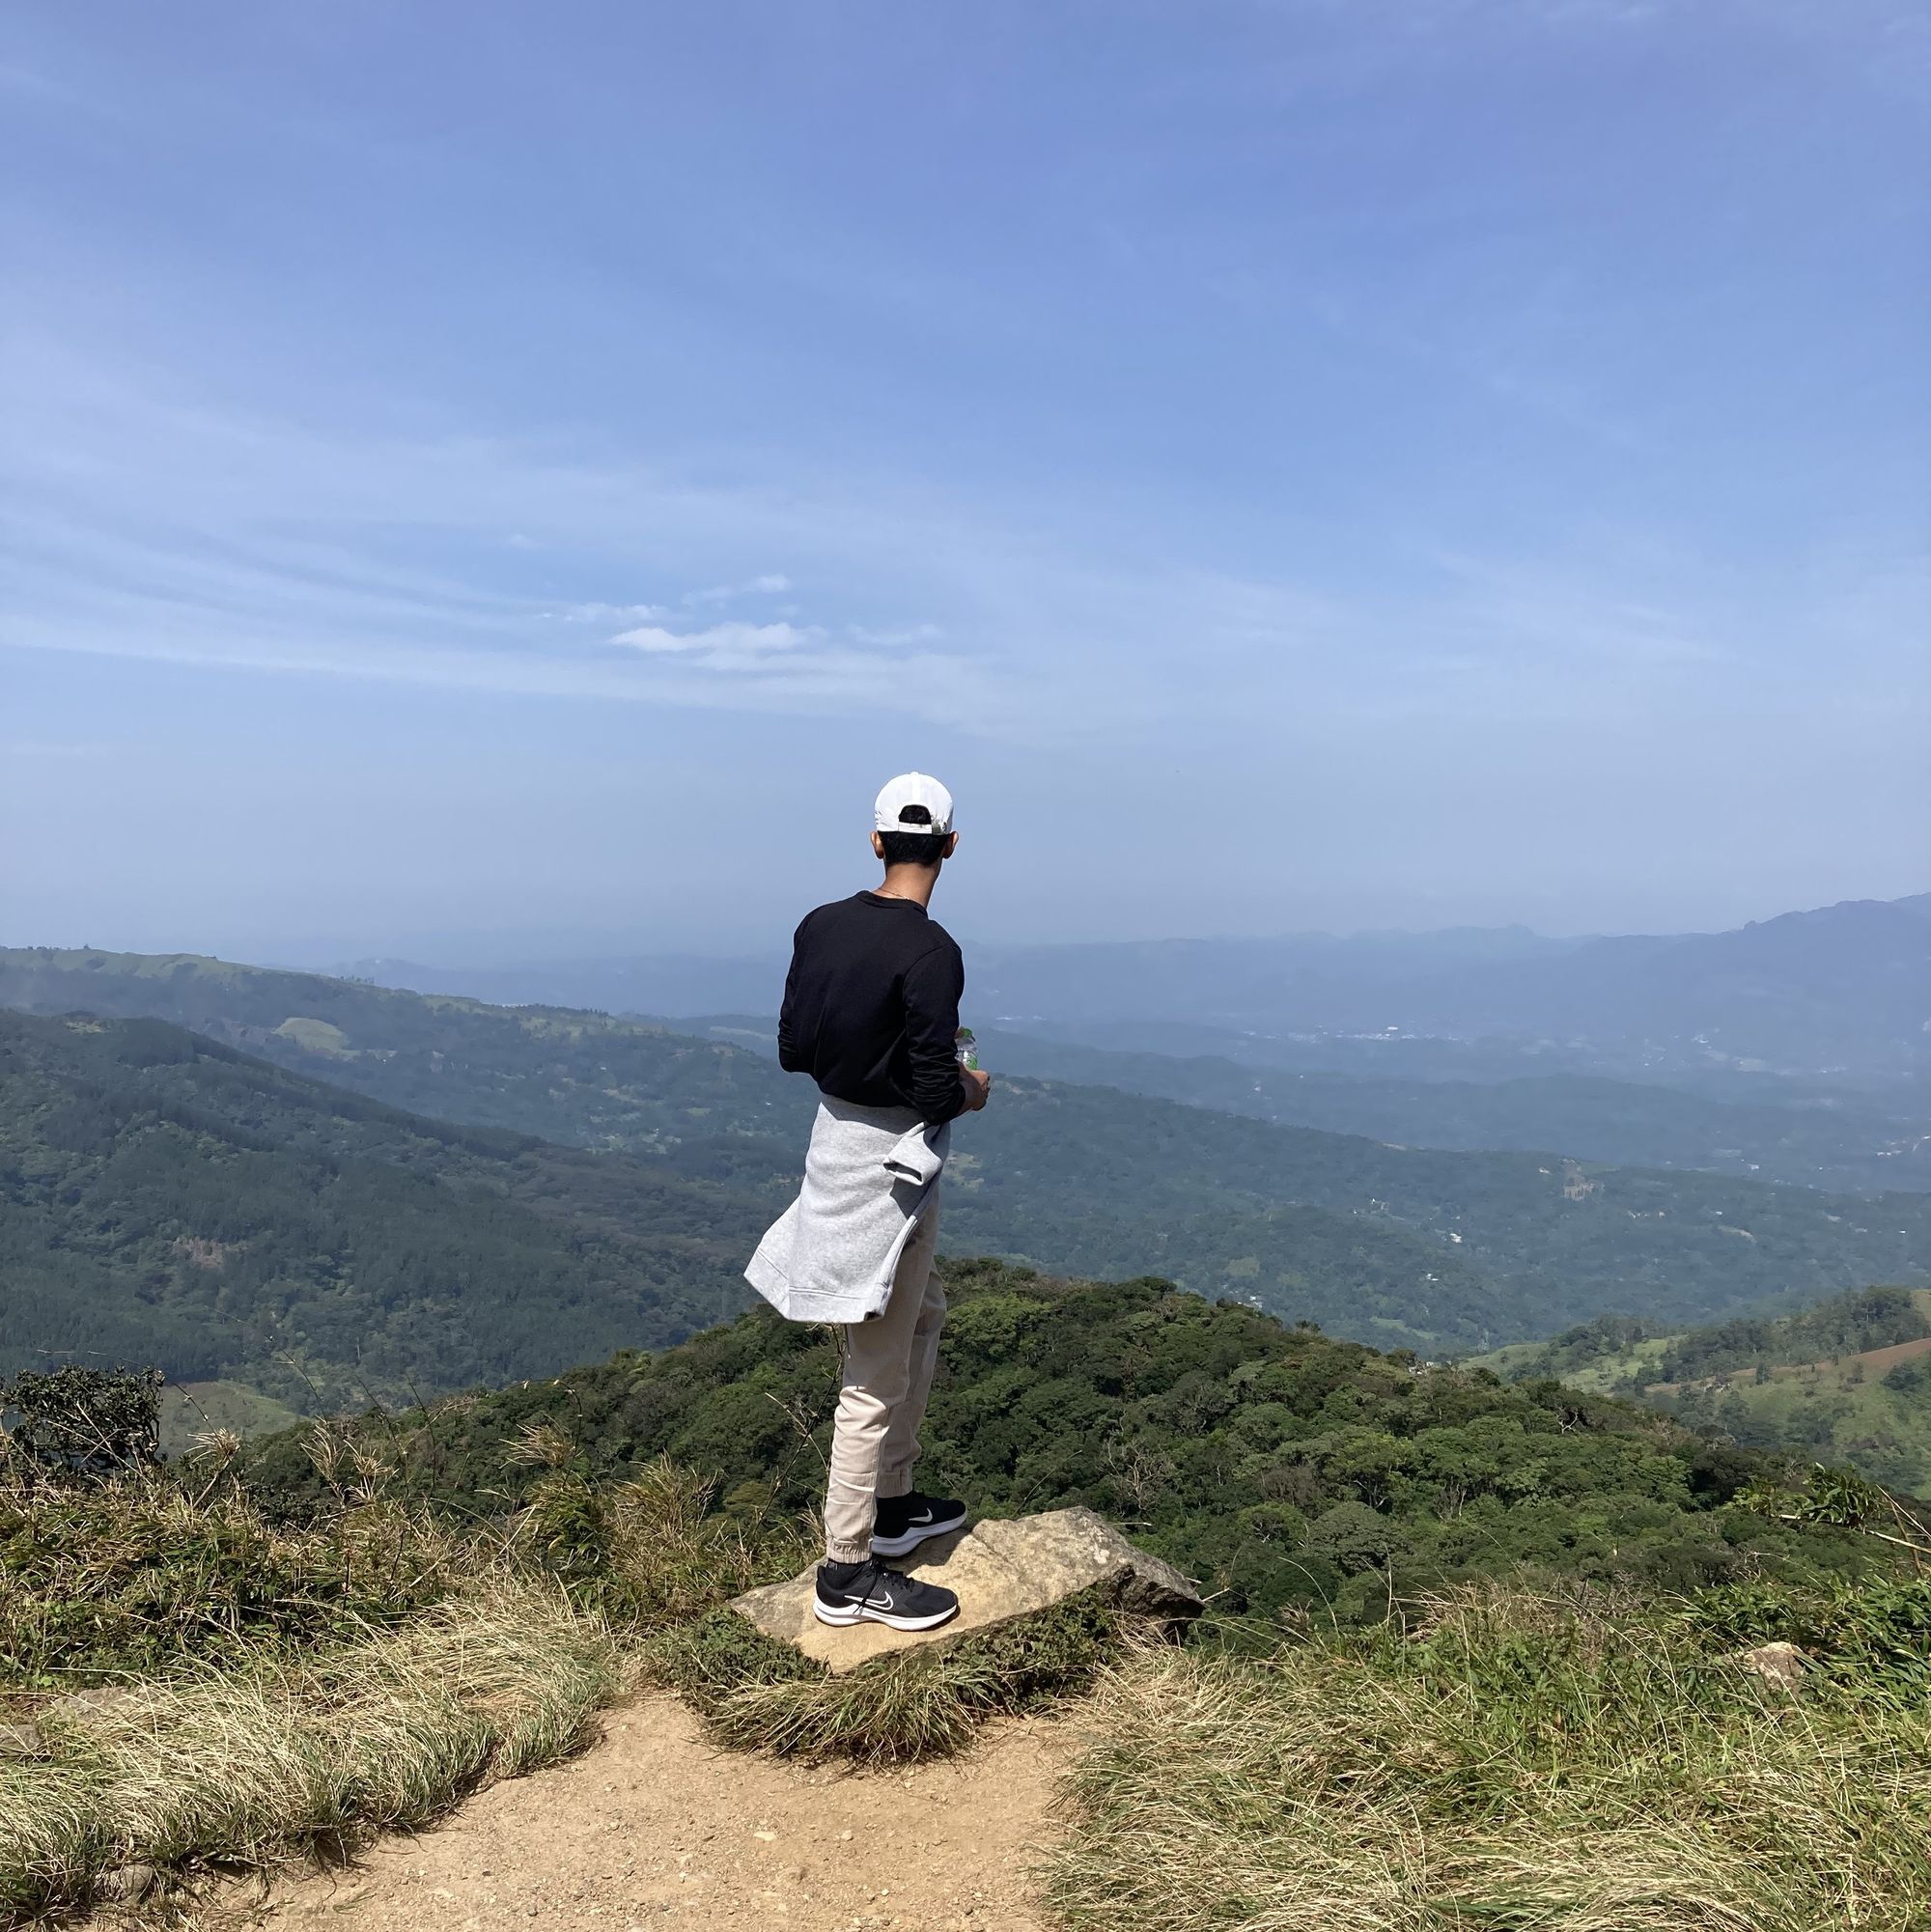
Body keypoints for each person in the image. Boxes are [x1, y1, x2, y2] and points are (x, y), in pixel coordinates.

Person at [744, 773, 992, 1632]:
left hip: (837, 1144)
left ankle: (893, 1504)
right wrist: (971, 1088)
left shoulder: (821, 925)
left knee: (923, 1312)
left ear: (877, 841)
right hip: (887, 1170)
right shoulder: (933, 953)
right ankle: (848, 1571)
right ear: (951, 847)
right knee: (872, 1376)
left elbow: (790, 1049)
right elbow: (931, 1086)